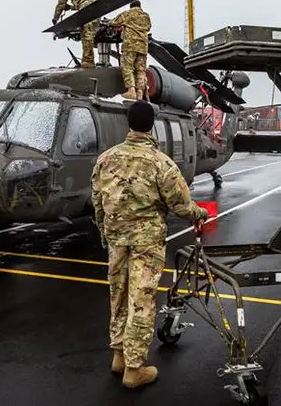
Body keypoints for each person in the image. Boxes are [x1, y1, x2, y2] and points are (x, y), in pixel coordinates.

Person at [91, 101, 208, 389]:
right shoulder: (161, 163)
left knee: (117, 296)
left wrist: (105, 232)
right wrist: (200, 213)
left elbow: (97, 203)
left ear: (128, 124)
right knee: (141, 301)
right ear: (151, 124)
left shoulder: (106, 158)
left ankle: (119, 355)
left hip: (117, 240)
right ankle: (134, 368)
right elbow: (180, 205)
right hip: (146, 243)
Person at [52, 0, 99, 68]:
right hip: (98, 7)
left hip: (86, 8)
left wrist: (55, 18)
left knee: (86, 34)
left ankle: (88, 62)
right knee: (92, 34)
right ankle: (88, 57)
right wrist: (70, 7)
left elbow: (61, 3)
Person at [109, 1, 152, 100]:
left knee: (127, 67)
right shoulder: (146, 16)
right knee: (141, 70)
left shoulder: (128, 13)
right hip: (143, 48)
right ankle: (140, 93)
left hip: (130, 46)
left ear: (131, 6)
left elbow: (113, 22)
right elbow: (148, 27)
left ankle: (131, 91)